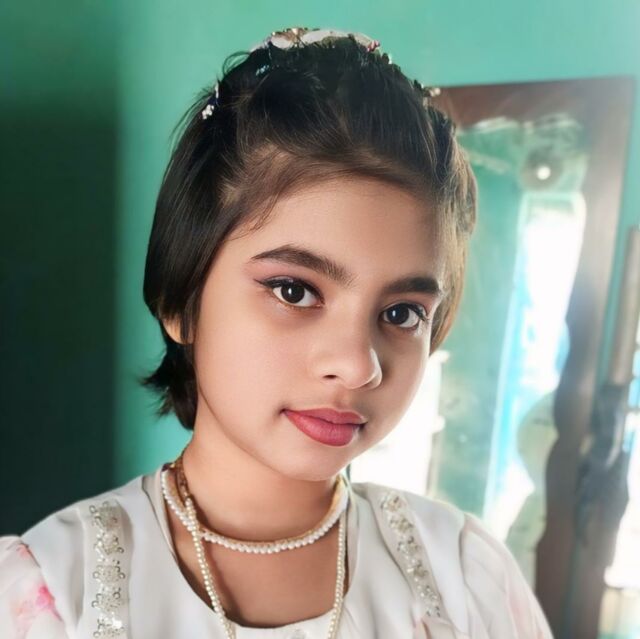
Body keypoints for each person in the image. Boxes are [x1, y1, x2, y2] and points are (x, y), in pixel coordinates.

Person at [0, 26, 554, 638]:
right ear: (181, 300)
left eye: (401, 313)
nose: (359, 365)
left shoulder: (468, 580)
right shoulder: (52, 594)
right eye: (294, 291)